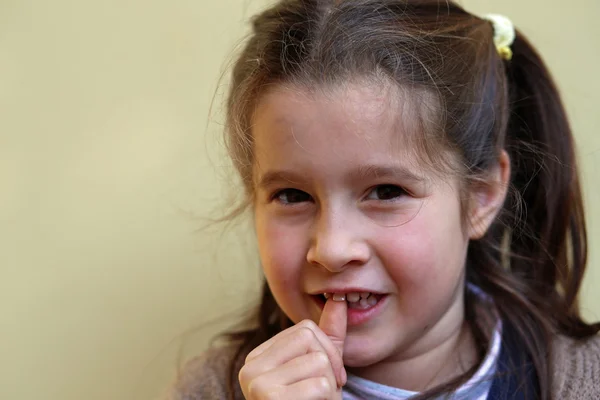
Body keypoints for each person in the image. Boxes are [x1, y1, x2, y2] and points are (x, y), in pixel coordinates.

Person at [169, 0, 600, 399]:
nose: (333, 249)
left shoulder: (583, 380)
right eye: (292, 195)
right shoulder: (212, 389)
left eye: (387, 192)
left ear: (480, 198)